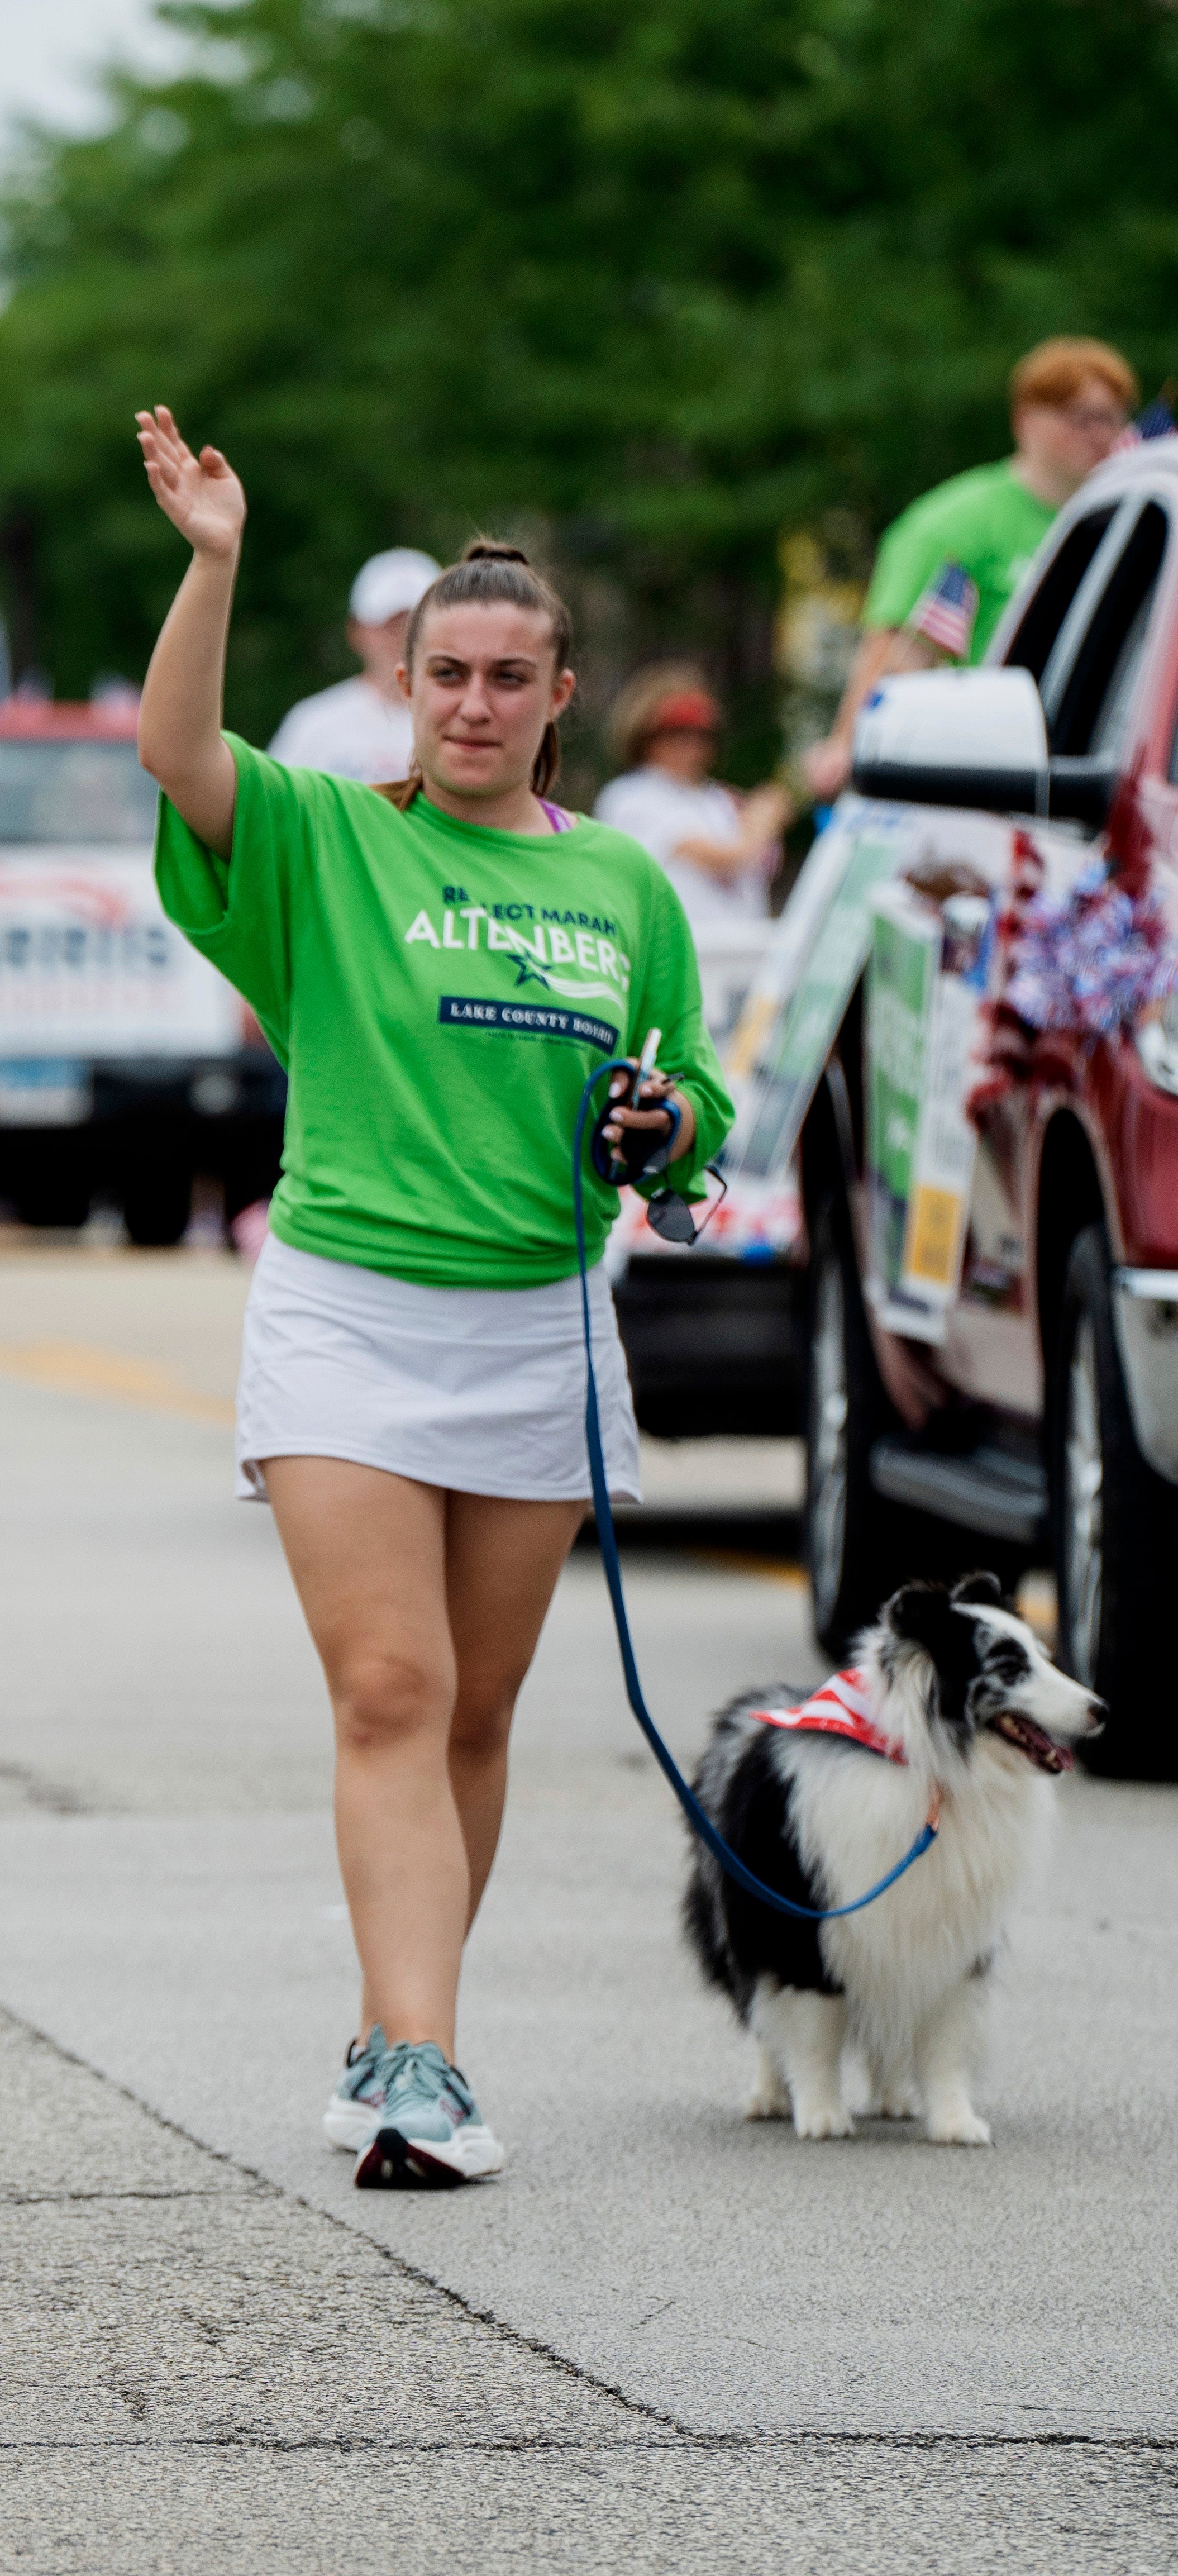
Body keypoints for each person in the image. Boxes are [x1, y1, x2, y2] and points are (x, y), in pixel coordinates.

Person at [131, 408, 729, 2190]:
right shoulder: (323, 838)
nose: (468, 702)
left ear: (559, 695)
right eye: (439, 673)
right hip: (345, 1317)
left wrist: (664, 1127)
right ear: (400, 684)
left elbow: (689, 1101)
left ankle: (400, 2015)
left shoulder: (621, 880)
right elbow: (176, 750)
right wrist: (214, 561)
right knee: (388, 1688)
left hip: (533, 1330)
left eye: (504, 677)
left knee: (473, 1713)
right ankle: (419, 2058)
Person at [802, 337, 1139, 798]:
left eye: (1111, 417)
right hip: (997, 776)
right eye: (1081, 417)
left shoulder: (1138, 522)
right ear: (1026, 421)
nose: (1099, 434)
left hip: (1113, 761)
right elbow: (899, 661)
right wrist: (851, 747)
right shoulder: (953, 526)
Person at [589, 669, 794, 1020]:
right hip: (682, 968)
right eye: (677, 734)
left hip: (746, 962)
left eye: (702, 735)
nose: (693, 746)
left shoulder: (714, 799)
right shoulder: (633, 797)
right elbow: (729, 858)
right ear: (646, 738)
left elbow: (762, 864)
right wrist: (764, 815)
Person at [265, 547, 443, 783]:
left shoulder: (463, 722)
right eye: (389, 623)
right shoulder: (313, 724)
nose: (403, 637)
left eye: (416, 623)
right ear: (356, 631)